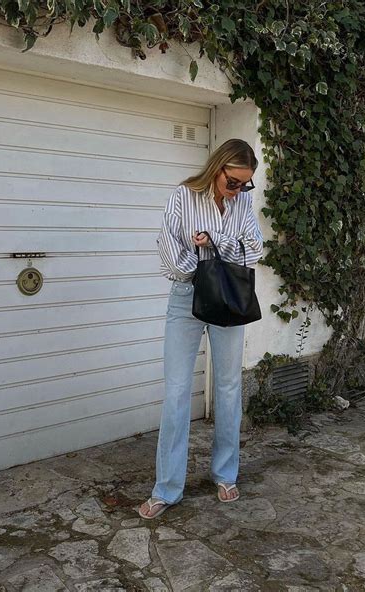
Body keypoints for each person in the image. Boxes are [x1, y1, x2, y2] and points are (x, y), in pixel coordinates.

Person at [138, 138, 263, 519]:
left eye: (246, 184)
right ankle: (167, 488)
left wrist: (215, 242)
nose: (239, 190)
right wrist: (206, 267)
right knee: (176, 391)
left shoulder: (242, 202)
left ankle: (225, 473)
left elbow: (254, 249)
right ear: (218, 169)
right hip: (187, 296)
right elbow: (169, 252)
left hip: (228, 299)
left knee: (227, 386)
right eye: (234, 182)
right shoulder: (184, 196)